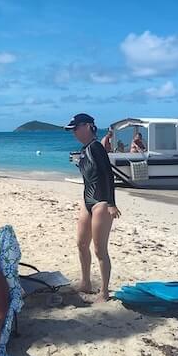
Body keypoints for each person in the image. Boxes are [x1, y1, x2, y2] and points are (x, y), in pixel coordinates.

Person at [66, 113, 120, 302]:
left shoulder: (96, 147)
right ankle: (86, 283)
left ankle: (104, 292)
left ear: (87, 126)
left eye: (75, 128)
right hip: (87, 201)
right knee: (81, 244)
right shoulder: (84, 149)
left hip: (101, 203)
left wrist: (112, 204)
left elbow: (108, 174)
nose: (73, 132)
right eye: (72, 129)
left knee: (100, 250)